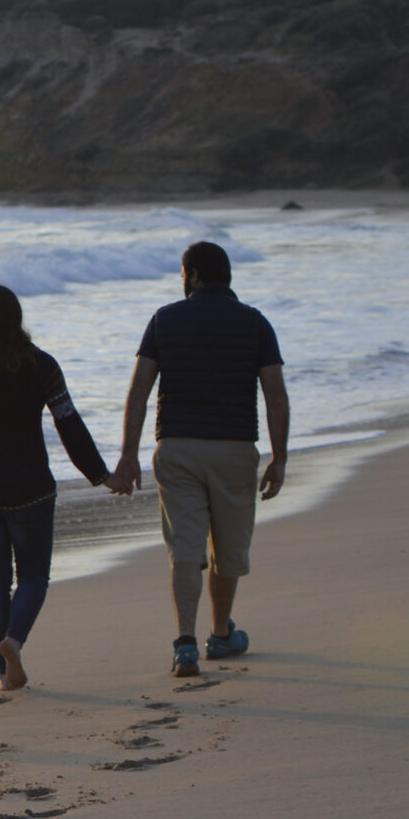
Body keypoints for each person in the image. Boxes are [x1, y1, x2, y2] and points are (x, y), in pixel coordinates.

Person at [106, 240, 289, 677]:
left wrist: (128, 454)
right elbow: (275, 395)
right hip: (233, 448)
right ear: (227, 276)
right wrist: (279, 457)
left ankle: (185, 643)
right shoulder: (255, 323)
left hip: (178, 446)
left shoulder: (164, 320)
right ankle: (221, 633)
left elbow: (139, 390)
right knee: (228, 548)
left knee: (185, 548)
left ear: (192, 275)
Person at [0, 284, 112, 691]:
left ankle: (4, 674)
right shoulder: (42, 365)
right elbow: (68, 423)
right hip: (32, 488)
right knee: (33, 577)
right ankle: (13, 641)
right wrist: (101, 475)